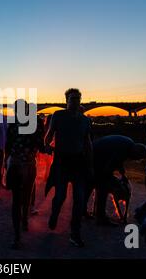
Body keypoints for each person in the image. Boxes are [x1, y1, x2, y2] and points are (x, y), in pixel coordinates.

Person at [44, 88, 93, 247]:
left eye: (78, 99)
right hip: (62, 161)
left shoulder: (85, 120)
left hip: (79, 162)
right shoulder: (58, 116)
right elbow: (50, 134)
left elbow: (87, 142)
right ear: (66, 101)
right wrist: (47, 145)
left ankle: (75, 233)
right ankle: (54, 213)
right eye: (72, 99)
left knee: (79, 198)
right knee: (61, 196)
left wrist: (90, 162)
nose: (75, 101)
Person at [5, 99, 45, 249]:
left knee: (18, 199)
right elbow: (40, 145)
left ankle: (18, 234)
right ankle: (21, 226)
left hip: (17, 163)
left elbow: (8, 145)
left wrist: (5, 162)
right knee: (23, 197)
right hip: (27, 164)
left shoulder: (13, 123)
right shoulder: (35, 123)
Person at [85, 135, 146, 225]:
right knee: (103, 187)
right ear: (136, 152)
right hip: (95, 157)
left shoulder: (128, 144)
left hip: (93, 154)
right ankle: (100, 217)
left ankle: (83, 210)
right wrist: (110, 178)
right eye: (137, 158)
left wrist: (122, 174)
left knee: (91, 185)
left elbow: (118, 161)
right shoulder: (125, 148)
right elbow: (109, 166)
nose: (134, 160)